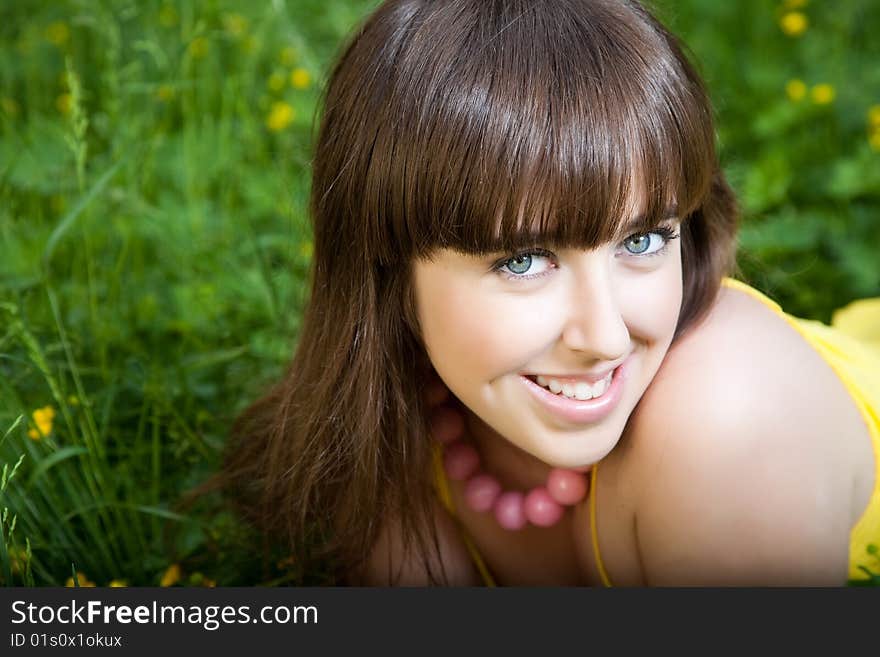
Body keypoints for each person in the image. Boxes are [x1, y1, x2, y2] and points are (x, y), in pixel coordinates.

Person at [218, 0, 880, 586]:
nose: (606, 337)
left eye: (643, 241)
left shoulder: (727, 424)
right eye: (525, 259)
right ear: (386, 268)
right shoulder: (389, 420)